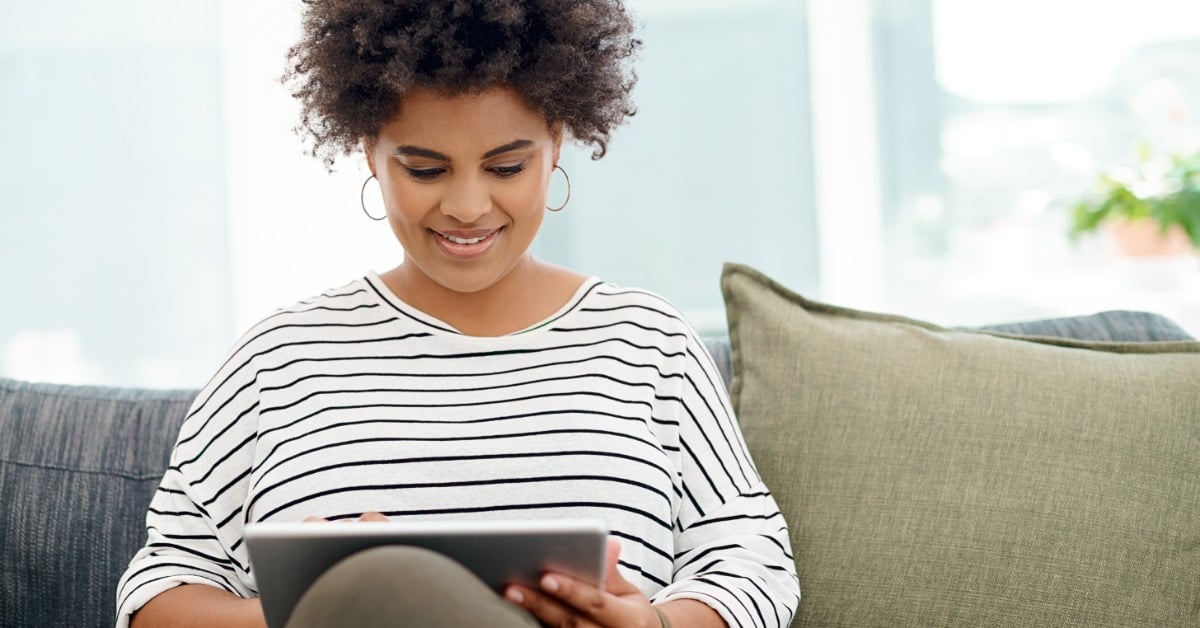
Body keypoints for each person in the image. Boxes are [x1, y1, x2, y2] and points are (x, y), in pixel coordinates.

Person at [116, 1, 799, 626]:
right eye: (424, 170)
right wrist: (315, 609)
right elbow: (157, 591)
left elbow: (755, 561)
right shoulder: (280, 359)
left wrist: (654, 624)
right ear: (370, 152)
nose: (469, 207)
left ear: (557, 141)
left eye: (505, 168)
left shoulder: (649, 343)